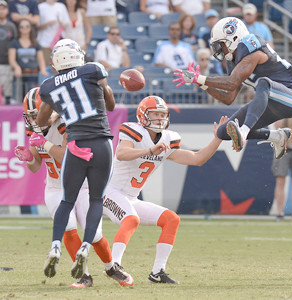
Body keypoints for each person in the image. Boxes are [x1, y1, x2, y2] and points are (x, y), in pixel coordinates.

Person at [102, 95, 227, 284]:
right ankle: (114, 265)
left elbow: (197, 159)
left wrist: (217, 139)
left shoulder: (168, 139)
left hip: (131, 197)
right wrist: (150, 151)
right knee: (131, 219)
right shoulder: (134, 131)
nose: (159, 119)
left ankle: (157, 272)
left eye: (162, 114)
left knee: (171, 219)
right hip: (110, 192)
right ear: (143, 115)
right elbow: (121, 153)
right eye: (155, 114)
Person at [14, 87, 131, 288]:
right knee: (68, 229)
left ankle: (111, 267)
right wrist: (29, 158)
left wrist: (45, 144)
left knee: (94, 235)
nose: (36, 120)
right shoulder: (35, 129)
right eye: (32, 116)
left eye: (38, 114)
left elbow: (69, 158)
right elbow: (35, 167)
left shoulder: (68, 125)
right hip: (55, 188)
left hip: (82, 186)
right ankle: (84, 276)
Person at [36, 38, 118, 282]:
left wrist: (59, 111)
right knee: (95, 200)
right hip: (100, 143)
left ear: (56, 62)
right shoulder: (93, 69)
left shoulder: (48, 86)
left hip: (75, 145)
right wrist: (105, 88)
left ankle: (55, 246)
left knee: (66, 201)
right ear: (78, 56)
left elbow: (41, 121)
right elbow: (110, 104)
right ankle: (85, 247)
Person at [173, 17, 292, 158]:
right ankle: (277, 136)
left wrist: (198, 77)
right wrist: (201, 84)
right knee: (223, 132)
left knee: (263, 83)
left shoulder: (251, 46)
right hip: (270, 103)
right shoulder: (235, 60)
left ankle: (243, 131)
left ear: (234, 37)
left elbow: (231, 82)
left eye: (221, 44)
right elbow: (229, 97)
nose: (219, 50)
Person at [8, 18, 48, 98]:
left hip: (33, 74)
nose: (24, 28)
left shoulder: (35, 43)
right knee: (19, 98)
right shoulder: (14, 42)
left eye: (27, 26)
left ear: (30, 28)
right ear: (19, 29)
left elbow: (40, 59)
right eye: (21, 27)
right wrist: (16, 67)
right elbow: (11, 59)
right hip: (20, 75)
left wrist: (43, 70)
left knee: (32, 98)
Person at [37, 0, 71, 67]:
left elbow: (67, 25)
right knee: (46, 66)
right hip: (44, 42)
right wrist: (47, 24)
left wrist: (61, 23)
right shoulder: (40, 7)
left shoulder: (61, 6)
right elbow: (37, 26)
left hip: (59, 43)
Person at [0, 0, 18, 105]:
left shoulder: (11, 26)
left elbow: (15, 44)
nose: (1, 11)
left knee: (7, 90)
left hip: (7, 62)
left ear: (7, 11)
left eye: (3, 9)